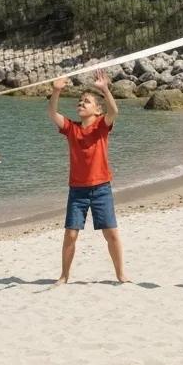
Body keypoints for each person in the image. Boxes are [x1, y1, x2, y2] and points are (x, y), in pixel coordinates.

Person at [48, 69, 128, 284]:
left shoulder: (102, 125)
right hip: (77, 190)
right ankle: (64, 276)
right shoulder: (71, 129)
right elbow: (53, 114)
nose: (81, 104)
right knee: (71, 235)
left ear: (97, 109)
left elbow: (115, 110)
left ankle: (121, 275)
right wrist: (56, 91)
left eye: (87, 101)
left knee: (110, 234)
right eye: (80, 101)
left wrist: (104, 89)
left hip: (101, 188)